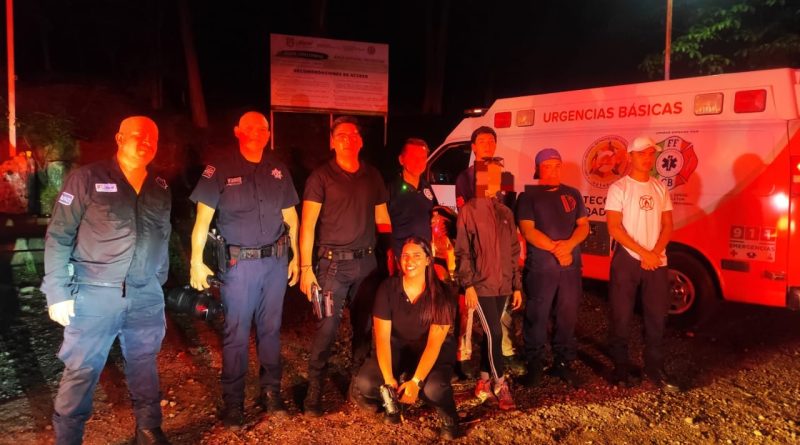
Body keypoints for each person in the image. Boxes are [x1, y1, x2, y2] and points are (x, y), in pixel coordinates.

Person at [42, 116, 171, 445]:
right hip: (95, 293)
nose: (146, 142)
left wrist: (158, 279)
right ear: (119, 138)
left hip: (145, 294)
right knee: (82, 368)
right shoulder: (86, 178)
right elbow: (59, 235)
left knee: (144, 362)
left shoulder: (160, 186)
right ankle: (68, 438)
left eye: (153, 138)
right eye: (139, 135)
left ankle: (148, 429)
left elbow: (163, 234)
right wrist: (57, 292)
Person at [188, 111, 300, 426]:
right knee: (236, 333)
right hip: (239, 266)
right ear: (237, 131)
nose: (257, 132)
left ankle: (271, 392)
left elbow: (291, 217)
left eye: (262, 128)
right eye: (250, 127)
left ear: (269, 133)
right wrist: (196, 260)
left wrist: (297, 258)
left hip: (275, 263)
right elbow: (202, 220)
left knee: (270, 330)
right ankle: (234, 403)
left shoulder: (278, 169)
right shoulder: (219, 168)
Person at [299, 116, 392, 416]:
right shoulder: (320, 177)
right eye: (341, 135)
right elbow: (308, 225)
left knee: (363, 328)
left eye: (353, 135)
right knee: (326, 327)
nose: (348, 140)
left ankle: (357, 387)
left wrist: (390, 255)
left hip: (367, 265)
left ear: (360, 141)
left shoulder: (373, 176)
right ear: (332, 141)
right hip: (332, 268)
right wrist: (305, 267)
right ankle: (314, 390)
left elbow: (382, 219)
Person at [351, 237, 463, 440]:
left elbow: (434, 344)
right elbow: (382, 338)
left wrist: (416, 382)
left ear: (428, 260)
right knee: (368, 382)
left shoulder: (442, 294)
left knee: (433, 390)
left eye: (417, 256)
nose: (409, 261)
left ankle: (449, 415)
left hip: (431, 349)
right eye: (405, 256)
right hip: (398, 346)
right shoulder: (388, 288)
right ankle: (393, 403)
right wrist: (388, 380)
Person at [604, 136, 679, 392]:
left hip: (656, 260)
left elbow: (668, 225)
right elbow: (614, 227)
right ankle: (621, 368)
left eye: (650, 154)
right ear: (630, 156)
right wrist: (643, 253)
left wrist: (654, 253)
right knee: (621, 315)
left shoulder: (660, 188)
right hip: (627, 259)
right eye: (641, 154)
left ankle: (654, 368)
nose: (647, 158)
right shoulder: (619, 188)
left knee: (656, 317)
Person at [453, 126, 524, 378]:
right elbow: (466, 222)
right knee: (470, 314)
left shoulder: (504, 177)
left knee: (500, 318)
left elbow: (509, 215)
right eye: (482, 141)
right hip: (478, 263)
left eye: (491, 141)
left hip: (500, 268)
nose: (487, 144)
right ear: (473, 146)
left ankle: (500, 357)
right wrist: (468, 278)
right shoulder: (465, 178)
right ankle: (464, 357)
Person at [516, 148, 589, 388]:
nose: (553, 170)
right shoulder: (528, 197)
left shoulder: (573, 194)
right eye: (547, 166)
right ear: (538, 169)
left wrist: (568, 246)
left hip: (570, 268)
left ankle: (562, 362)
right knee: (537, 316)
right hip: (542, 269)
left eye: (557, 165)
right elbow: (528, 231)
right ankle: (535, 363)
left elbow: (583, 226)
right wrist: (558, 250)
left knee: (567, 315)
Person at [387, 138, 438, 263]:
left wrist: (436, 219)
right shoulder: (390, 189)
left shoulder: (426, 187)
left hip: (424, 259)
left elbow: (435, 213)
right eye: (413, 157)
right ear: (401, 160)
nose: (418, 162)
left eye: (423, 158)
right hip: (403, 260)